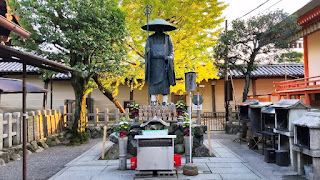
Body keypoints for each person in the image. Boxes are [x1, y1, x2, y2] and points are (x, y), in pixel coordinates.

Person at [142, 18, 176, 105]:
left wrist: (169, 57)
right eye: (157, 28)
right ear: (154, 29)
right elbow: (146, 51)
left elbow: (171, 51)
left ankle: (165, 101)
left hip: (164, 64)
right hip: (153, 65)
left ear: (163, 29)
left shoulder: (167, 38)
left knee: (165, 84)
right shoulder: (150, 39)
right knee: (153, 84)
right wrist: (148, 51)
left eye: (160, 28)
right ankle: (153, 101)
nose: (159, 30)